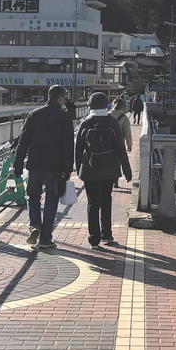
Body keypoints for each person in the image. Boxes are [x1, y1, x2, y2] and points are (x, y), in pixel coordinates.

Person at [14, 84, 74, 250]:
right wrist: (68, 168)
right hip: (55, 166)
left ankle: (34, 226)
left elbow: (23, 142)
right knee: (51, 200)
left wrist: (18, 164)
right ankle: (46, 238)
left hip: (35, 165)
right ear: (60, 98)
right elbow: (69, 145)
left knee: (33, 196)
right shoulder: (65, 117)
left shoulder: (34, 114)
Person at [75, 91, 132, 250]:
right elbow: (120, 148)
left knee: (93, 203)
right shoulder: (112, 122)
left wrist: (79, 168)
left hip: (90, 170)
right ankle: (107, 233)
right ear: (106, 105)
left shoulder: (85, 123)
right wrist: (126, 169)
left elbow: (78, 149)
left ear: (90, 106)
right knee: (106, 199)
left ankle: (94, 239)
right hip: (109, 169)